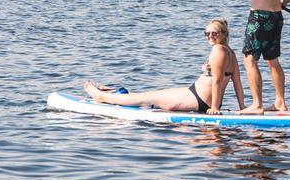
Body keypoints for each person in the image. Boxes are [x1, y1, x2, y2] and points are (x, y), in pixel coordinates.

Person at [83, 18, 246, 114]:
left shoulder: (218, 50)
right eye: (207, 33)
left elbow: (217, 81)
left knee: (144, 98)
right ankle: (117, 93)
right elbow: (237, 82)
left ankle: (102, 97)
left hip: (198, 100)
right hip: (196, 95)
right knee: (150, 95)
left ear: (224, 34)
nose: (210, 36)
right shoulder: (231, 53)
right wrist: (242, 107)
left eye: (214, 33)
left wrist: (215, 107)